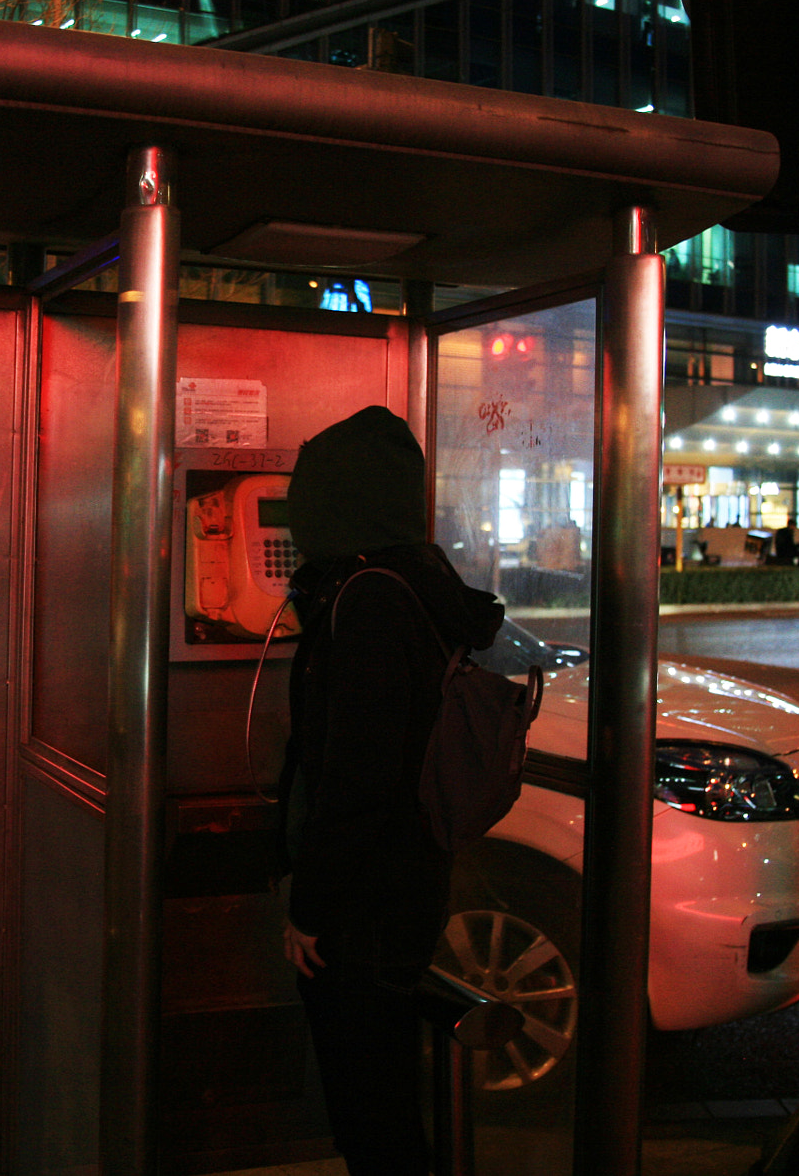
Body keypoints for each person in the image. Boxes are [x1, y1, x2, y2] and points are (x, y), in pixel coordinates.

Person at [276, 406, 504, 1176]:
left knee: (372, 1112)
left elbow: (355, 779)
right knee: (379, 1101)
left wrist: (310, 906)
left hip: (363, 904)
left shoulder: (369, 597)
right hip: (402, 883)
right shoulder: (410, 579)